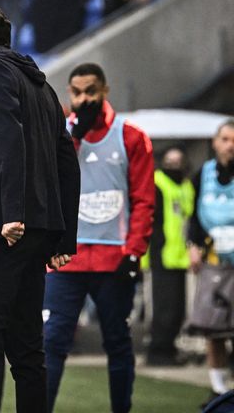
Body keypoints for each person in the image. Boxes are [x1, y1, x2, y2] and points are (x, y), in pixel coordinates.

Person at [0, 4, 81, 413]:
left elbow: (6, 142)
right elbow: (66, 160)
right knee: (27, 349)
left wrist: (12, 213)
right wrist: (63, 236)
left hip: (0, 230)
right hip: (38, 231)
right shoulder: (41, 84)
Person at [43, 62, 154, 413]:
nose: (84, 98)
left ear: (104, 90)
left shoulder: (131, 136)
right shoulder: (59, 134)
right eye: (76, 92)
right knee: (51, 344)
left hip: (113, 260)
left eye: (91, 91)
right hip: (65, 260)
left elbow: (144, 199)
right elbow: (45, 185)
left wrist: (134, 252)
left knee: (118, 344)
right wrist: (72, 137)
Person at [187, 120, 234, 404]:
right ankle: (218, 390)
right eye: (225, 139)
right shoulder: (202, 174)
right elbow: (194, 215)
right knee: (212, 328)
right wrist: (193, 245)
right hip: (214, 261)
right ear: (215, 142)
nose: (230, 145)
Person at [145, 147, 194, 366]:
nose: (174, 165)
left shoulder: (186, 186)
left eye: (178, 160)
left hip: (182, 256)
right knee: (164, 308)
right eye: (169, 161)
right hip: (161, 254)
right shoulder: (157, 183)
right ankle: (158, 351)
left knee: (177, 308)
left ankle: (170, 348)